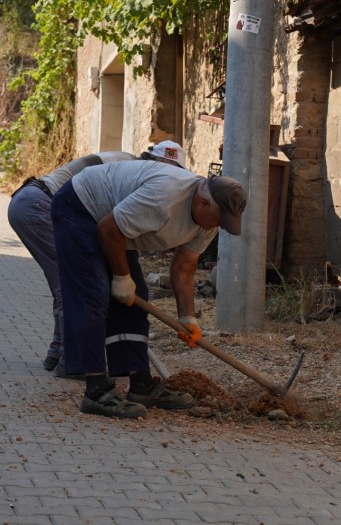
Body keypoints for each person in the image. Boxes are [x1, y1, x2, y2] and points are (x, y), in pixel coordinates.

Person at [51, 159, 247, 418]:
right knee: (94, 294)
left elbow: (184, 266)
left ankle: (141, 383)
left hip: (117, 225)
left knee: (135, 297)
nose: (218, 226)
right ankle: (96, 391)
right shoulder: (165, 197)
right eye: (220, 219)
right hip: (80, 208)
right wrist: (121, 277)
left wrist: (187, 317)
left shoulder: (207, 221)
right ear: (204, 202)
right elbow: (108, 228)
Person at [7, 141, 187, 371]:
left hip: (33, 202)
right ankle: (71, 362)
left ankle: (58, 353)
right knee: (73, 284)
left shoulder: (137, 169)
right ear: (153, 161)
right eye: (166, 169)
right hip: (40, 205)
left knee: (66, 283)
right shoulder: (129, 168)